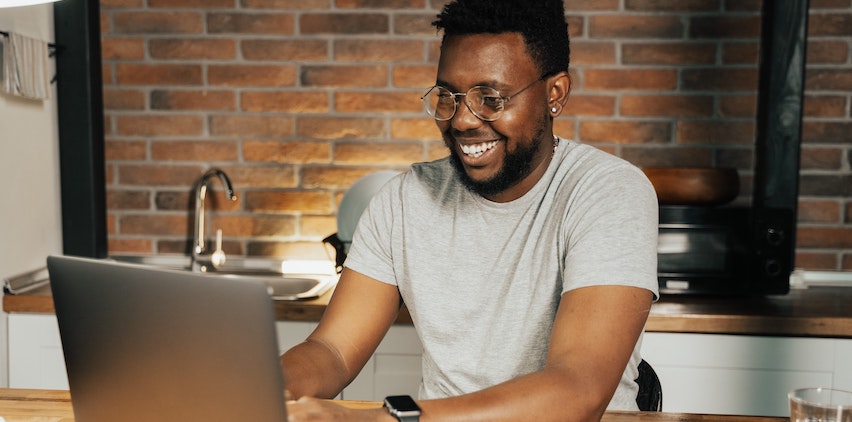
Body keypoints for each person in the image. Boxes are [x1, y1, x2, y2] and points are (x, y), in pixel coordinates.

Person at [281, 0, 659, 420]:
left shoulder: (608, 192)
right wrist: (266, 387)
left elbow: (577, 390)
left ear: (555, 94)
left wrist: (384, 419)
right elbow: (331, 350)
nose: (461, 120)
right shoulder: (404, 200)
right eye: (449, 97)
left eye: (491, 99)